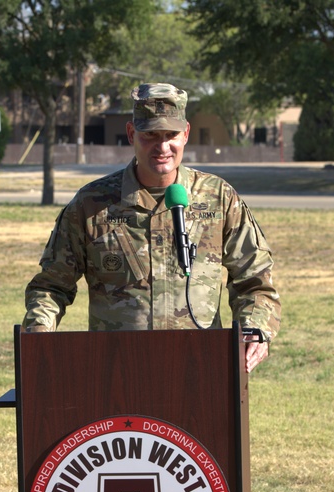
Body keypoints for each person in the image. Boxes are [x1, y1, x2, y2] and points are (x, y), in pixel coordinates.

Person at [23, 83, 281, 372]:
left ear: (185, 134)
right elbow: (51, 286)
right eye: (150, 136)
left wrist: (256, 329)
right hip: (117, 374)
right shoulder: (92, 204)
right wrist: (38, 337)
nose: (162, 147)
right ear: (132, 133)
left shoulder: (218, 199)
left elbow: (254, 279)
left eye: (171, 135)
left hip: (201, 371)